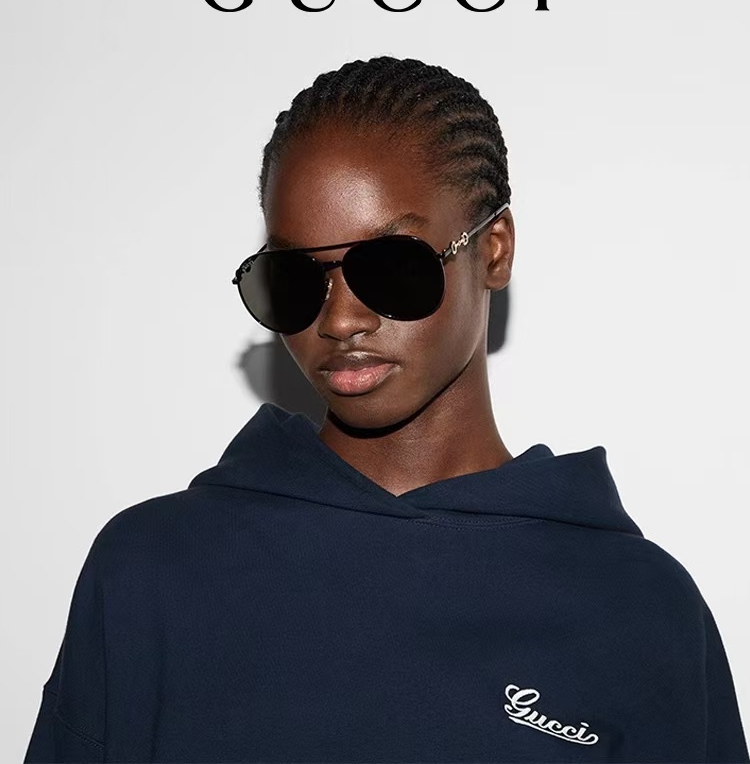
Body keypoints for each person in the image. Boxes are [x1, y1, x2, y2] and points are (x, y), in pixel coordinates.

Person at [24, 56, 748, 763]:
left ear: (494, 251)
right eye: (295, 279)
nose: (341, 320)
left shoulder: (640, 612)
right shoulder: (152, 573)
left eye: (392, 268)